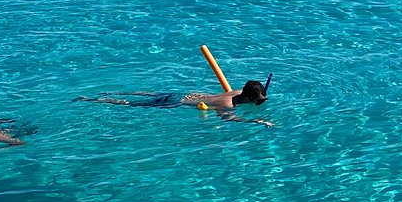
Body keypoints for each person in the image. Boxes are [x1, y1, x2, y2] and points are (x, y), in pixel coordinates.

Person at [76, 76, 273, 124]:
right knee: (133, 105)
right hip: (177, 102)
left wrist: (259, 96)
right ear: (248, 98)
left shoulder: (235, 92)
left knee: (147, 94)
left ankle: (113, 92)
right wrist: (255, 121)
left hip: (188, 93)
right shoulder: (227, 104)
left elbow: (252, 92)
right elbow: (228, 119)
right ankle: (92, 100)